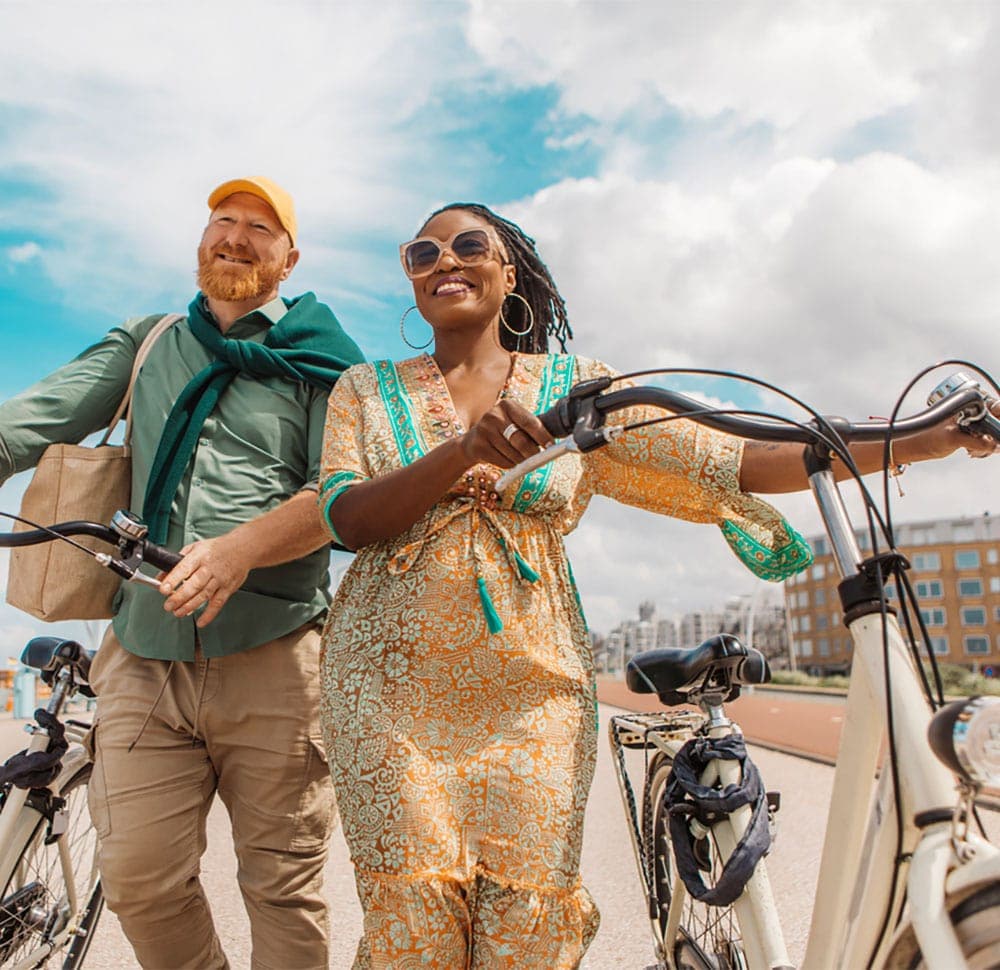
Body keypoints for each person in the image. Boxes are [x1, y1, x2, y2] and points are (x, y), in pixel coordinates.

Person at [315, 200, 998, 969]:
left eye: (468, 244)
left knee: (527, 930)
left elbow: (730, 456)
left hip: (531, 693)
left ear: (510, 273)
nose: (444, 260)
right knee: (415, 925)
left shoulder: (581, 390)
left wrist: (921, 440)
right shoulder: (363, 391)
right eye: (422, 253)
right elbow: (345, 515)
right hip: (388, 694)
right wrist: (461, 453)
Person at [0, 177, 365, 970]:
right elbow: (32, 418)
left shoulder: (325, 364)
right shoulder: (151, 340)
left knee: (281, 890)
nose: (235, 237)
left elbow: (338, 489)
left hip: (276, 657)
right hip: (142, 654)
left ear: (289, 257)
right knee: (137, 881)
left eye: (258, 228)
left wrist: (239, 550)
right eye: (222, 222)